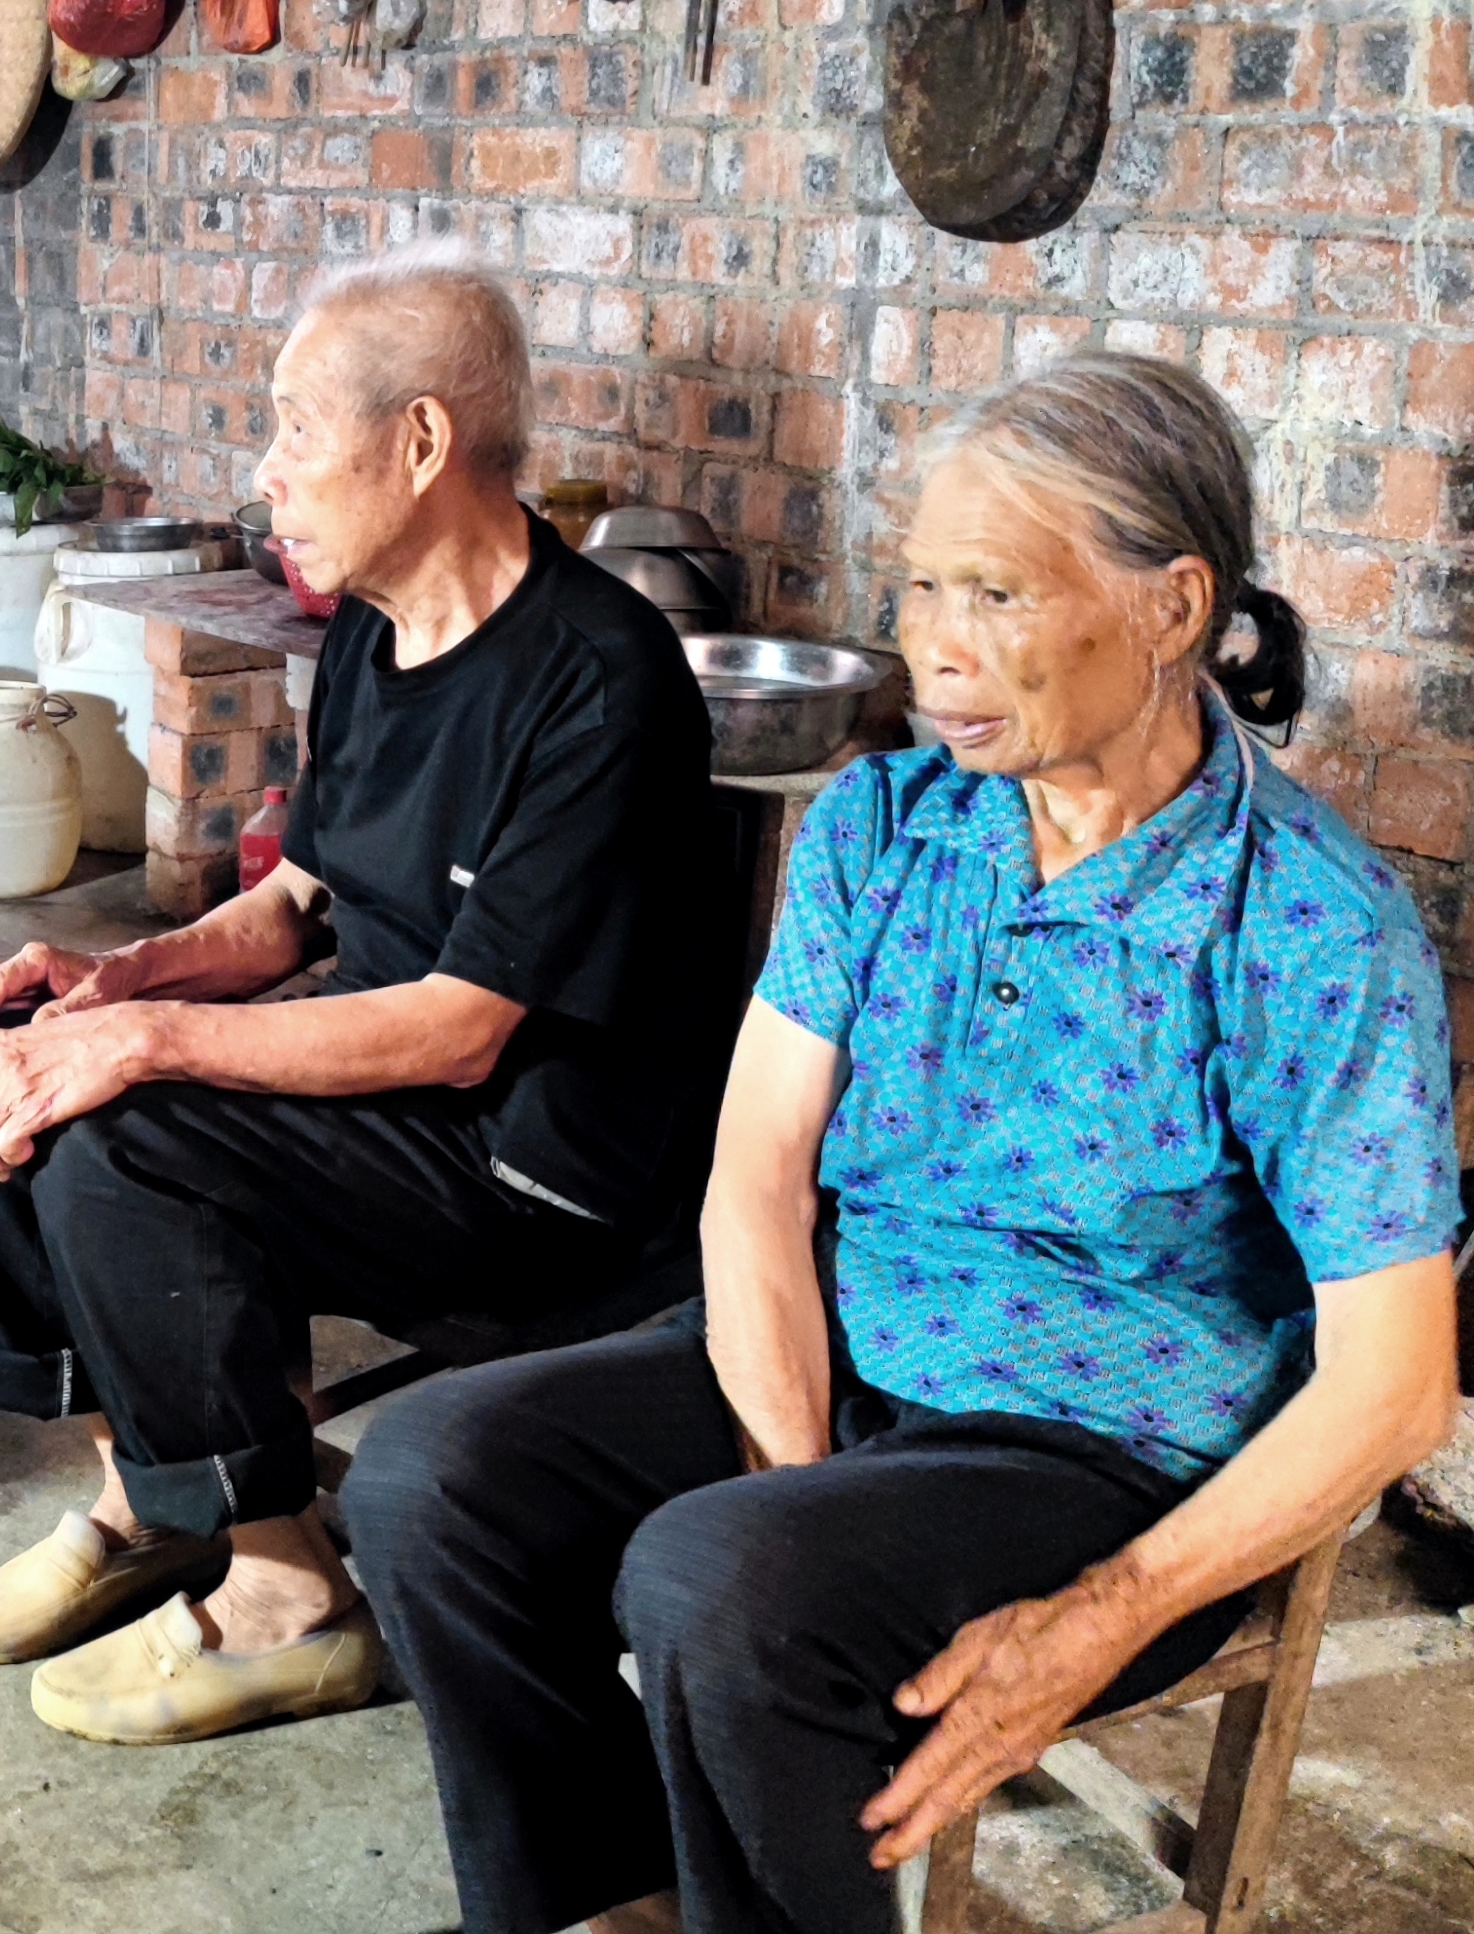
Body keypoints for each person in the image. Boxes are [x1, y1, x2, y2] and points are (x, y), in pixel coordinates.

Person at [345, 351, 1468, 1934]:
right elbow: (754, 1174)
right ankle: (608, 1898)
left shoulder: (1305, 926)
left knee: (719, 1585)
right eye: (922, 585)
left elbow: (1393, 1383)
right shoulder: (885, 826)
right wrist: (793, 1479)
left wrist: (1096, 1615)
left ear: (1169, 606)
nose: (933, 646)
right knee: (430, 1479)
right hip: (853, 1345)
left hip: (1099, 1453)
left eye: (995, 594)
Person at [0, 245, 736, 1745]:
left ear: (418, 441)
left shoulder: (598, 676)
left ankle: (289, 1591)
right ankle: (150, 1497)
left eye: (296, 426)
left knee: (124, 1137)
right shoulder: (371, 623)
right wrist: (108, 980)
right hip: (391, 1091)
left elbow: (458, 1028)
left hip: (534, 1162)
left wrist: (147, 1039)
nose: (267, 469)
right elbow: (293, 902)